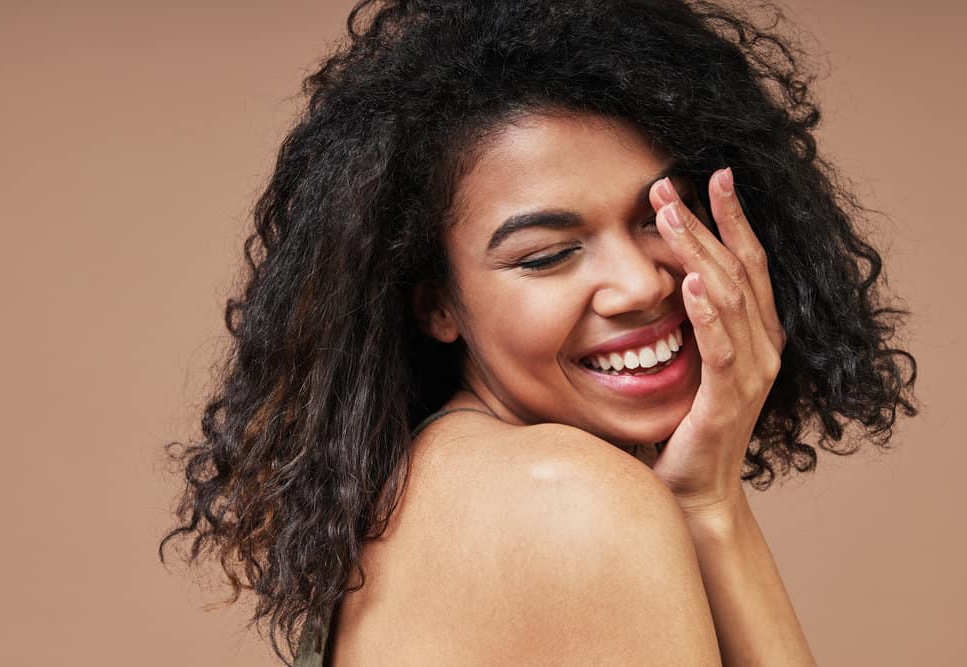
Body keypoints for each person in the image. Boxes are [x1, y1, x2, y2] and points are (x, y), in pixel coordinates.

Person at [159, 1, 919, 664]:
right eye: (548, 254)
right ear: (436, 305)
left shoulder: (429, 479)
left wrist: (711, 500)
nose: (640, 283)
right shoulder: (568, 502)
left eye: (663, 217)